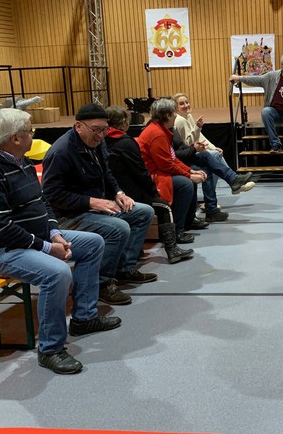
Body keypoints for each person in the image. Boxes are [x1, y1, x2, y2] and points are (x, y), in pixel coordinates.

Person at [0, 109, 119, 375]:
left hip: (32, 238)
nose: (33, 135)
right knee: (57, 273)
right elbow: (0, 230)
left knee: (93, 244)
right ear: (15, 138)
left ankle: (84, 318)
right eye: (30, 131)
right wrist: (47, 248)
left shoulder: (19, 160)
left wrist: (55, 232)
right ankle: (50, 349)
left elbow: (42, 202)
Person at [42, 104, 156, 308]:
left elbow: (106, 173)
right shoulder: (61, 152)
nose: (101, 135)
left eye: (105, 129)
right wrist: (91, 201)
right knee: (119, 228)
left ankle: (124, 268)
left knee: (143, 212)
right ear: (79, 126)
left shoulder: (97, 142)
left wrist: (119, 193)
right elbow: (51, 195)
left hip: (93, 207)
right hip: (67, 216)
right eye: (96, 130)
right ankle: (102, 283)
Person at [104, 106, 194, 265]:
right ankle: (172, 249)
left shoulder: (101, 141)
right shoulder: (127, 142)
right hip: (129, 194)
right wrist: (153, 192)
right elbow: (141, 172)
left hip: (111, 193)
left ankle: (138, 250)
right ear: (124, 123)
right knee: (164, 206)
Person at [172, 92, 255, 222]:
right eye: (181, 104)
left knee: (212, 158)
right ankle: (233, 182)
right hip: (185, 157)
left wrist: (212, 147)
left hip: (190, 153)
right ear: (176, 108)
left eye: (187, 102)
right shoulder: (180, 121)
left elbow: (199, 137)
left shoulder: (187, 116)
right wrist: (198, 128)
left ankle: (230, 185)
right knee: (212, 159)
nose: (186, 105)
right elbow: (189, 143)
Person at [137, 98, 208, 241]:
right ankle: (177, 231)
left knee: (189, 181)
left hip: (159, 171)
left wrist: (190, 171)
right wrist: (188, 176)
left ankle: (187, 221)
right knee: (185, 184)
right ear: (167, 115)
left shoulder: (161, 130)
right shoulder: (157, 134)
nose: (176, 115)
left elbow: (172, 158)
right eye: (174, 112)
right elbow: (166, 165)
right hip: (153, 175)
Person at [229, 54, 283, 153]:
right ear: (282, 65)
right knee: (266, 112)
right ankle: (275, 143)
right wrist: (239, 78)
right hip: (276, 113)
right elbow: (256, 80)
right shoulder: (271, 76)